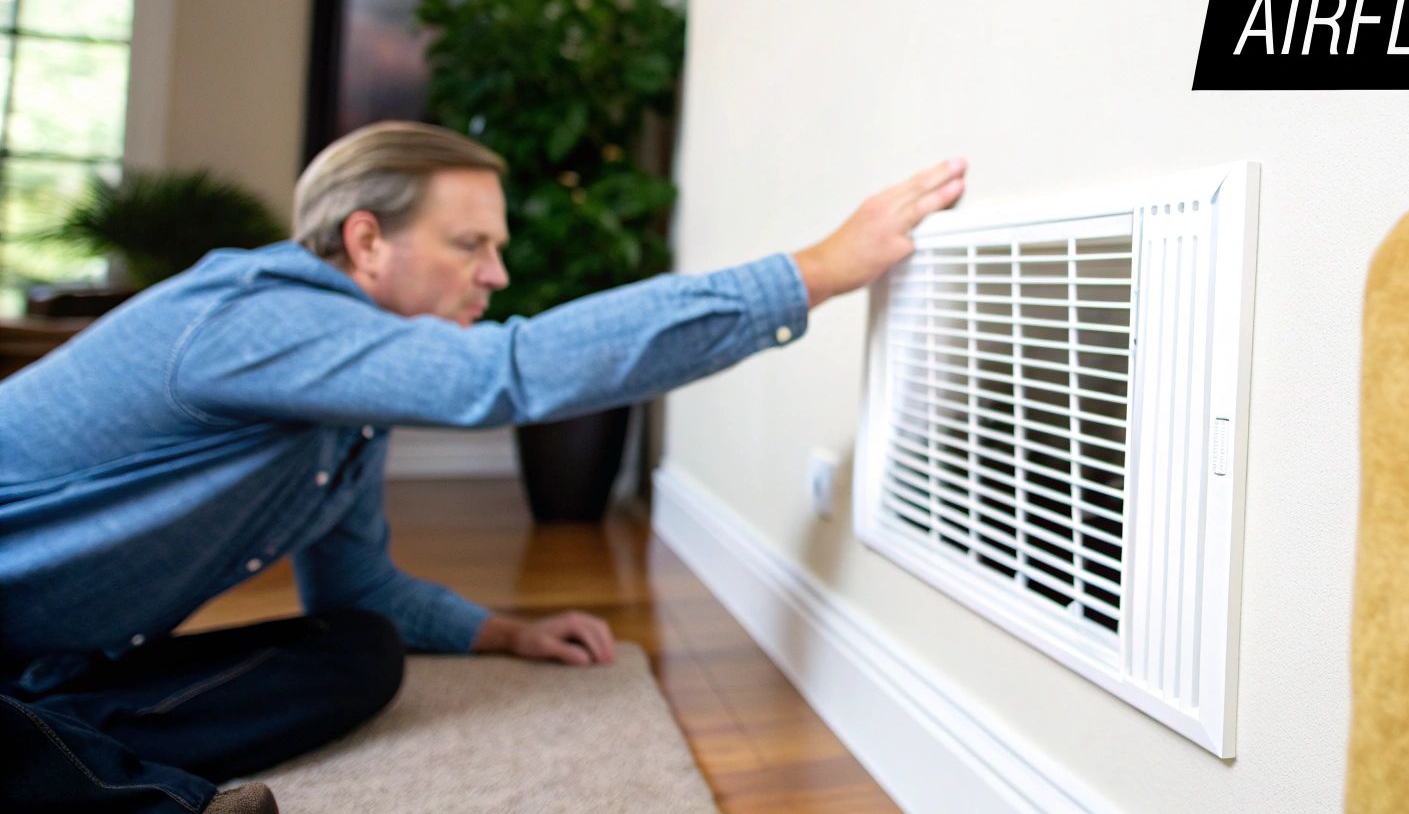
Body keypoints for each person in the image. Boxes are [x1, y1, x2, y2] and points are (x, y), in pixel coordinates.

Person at [0, 121, 967, 814]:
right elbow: (513, 371)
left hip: (55, 664)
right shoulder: (251, 316)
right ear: (365, 240)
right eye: (472, 245)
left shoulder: (346, 406)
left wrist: (505, 633)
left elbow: (356, 581)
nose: (496, 274)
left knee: (362, 647)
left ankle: (60, 746)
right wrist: (815, 270)